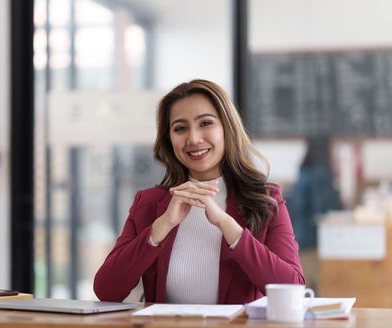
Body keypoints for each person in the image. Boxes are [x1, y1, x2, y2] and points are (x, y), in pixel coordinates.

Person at [94, 79, 304, 304]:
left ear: (227, 128)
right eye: (180, 128)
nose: (193, 138)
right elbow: (107, 290)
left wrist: (229, 227)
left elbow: (292, 288)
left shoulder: (265, 200)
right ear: (169, 139)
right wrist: (162, 226)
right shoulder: (148, 204)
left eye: (205, 123)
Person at [287, 136, 341, 290]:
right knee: (315, 286)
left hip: (299, 235)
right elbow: (322, 211)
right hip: (312, 239)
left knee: (304, 283)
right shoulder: (321, 175)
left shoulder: (304, 172)